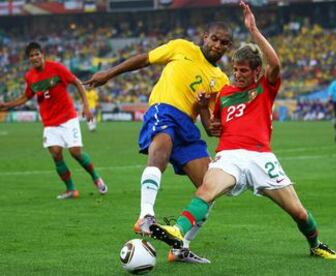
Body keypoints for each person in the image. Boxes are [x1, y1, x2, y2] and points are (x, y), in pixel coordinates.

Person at [149, 1, 336, 261]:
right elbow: (213, 129)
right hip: (229, 155)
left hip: (261, 157)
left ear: (256, 71)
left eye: (243, 71)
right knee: (206, 191)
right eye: (235, 70)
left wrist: (253, 30)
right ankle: (177, 233)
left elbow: (275, 63)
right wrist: (203, 108)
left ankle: (316, 243)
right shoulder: (225, 93)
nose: (237, 75)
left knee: (298, 212)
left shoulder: (265, 87)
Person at [84, 19, 233, 263]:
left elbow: (209, 126)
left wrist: (212, 118)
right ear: (205, 36)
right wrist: (109, 74)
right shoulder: (182, 47)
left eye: (224, 43)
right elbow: (144, 59)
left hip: (189, 126)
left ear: (228, 47)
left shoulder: (222, 80)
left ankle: (181, 247)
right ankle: (146, 215)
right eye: (214, 39)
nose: (217, 45)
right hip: (164, 110)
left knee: (211, 187)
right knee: (160, 152)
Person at [0, 42, 108, 199]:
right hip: (49, 122)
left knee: (75, 152)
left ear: (43, 55)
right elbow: (26, 96)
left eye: (37, 54)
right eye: (31, 55)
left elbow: (77, 83)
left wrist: (85, 106)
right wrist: (6, 105)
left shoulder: (57, 68)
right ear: (29, 59)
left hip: (68, 117)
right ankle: (71, 189)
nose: (35, 57)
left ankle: (96, 178)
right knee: (56, 154)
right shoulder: (30, 77)